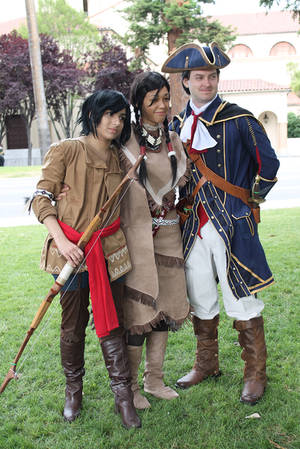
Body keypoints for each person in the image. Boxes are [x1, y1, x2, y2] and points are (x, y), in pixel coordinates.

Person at [162, 42, 280, 405]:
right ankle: (207, 363)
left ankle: (255, 373)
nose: (207, 83)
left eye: (212, 77)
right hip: (192, 224)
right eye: (199, 77)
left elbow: (269, 165)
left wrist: (248, 202)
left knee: (241, 297)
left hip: (232, 225)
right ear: (186, 82)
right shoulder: (176, 124)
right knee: (201, 295)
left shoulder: (240, 118)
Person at [31, 90, 141, 429]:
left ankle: (123, 396)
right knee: (72, 325)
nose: (115, 122)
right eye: (109, 114)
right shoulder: (66, 150)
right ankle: (73, 390)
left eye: (121, 117)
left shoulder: (123, 160)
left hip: (110, 252)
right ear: (93, 114)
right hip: (73, 253)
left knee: (114, 323)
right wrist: (63, 242)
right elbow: (40, 198)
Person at [119, 71, 190, 409]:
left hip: (170, 235)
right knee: (140, 309)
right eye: (154, 99)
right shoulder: (127, 141)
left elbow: (182, 180)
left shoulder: (173, 139)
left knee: (165, 308)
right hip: (139, 237)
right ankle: (130, 386)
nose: (162, 104)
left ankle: (155, 378)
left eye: (165, 97)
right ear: (139, 104)